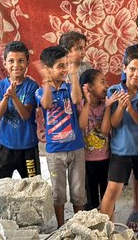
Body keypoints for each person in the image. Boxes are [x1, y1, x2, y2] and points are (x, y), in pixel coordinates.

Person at [99, 50, 138, 240]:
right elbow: (114, 124)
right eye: (132, 69)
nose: (136, 74)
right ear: (124, 69)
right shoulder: (114, 91)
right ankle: (103, 231)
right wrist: (121, 107)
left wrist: (130, 108)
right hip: (120, 150)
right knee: (113, 189)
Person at [35, 46, 85, 228]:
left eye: (66, 65)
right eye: (60, 66)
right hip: (55, 152)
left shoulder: (69, 86)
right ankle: (61, 226)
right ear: (48, 69)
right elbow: (46, 105)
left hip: (76, 148)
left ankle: (78, 225)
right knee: (58, 192)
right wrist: (47, 81)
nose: (65, 69)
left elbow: (78, 100)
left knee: (79, 191)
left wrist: (73, 75)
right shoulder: (41, 90)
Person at [0, 41, 40, 178]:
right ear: (5, 63)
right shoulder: (0, 86)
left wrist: (14, 97)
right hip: (6, 147)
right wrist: (7, 97)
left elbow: (25, 115)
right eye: (11, 61)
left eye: (21, 61)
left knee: (33, 186)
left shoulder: (32, 86)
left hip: (28, 147)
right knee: (0, 186)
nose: (16, 65)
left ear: (27, 63)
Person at [79, 69, 113, 210]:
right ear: (89, 87)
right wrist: (87, 102)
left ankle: (107, 222)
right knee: (90, 198)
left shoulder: (106, 104)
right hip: (86, 160)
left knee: (107, 195)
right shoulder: (80, 104)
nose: (106, 86)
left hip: (105, 158)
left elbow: (105, 130)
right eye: (102, 82)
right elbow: (82, 125)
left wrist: (108, 107)